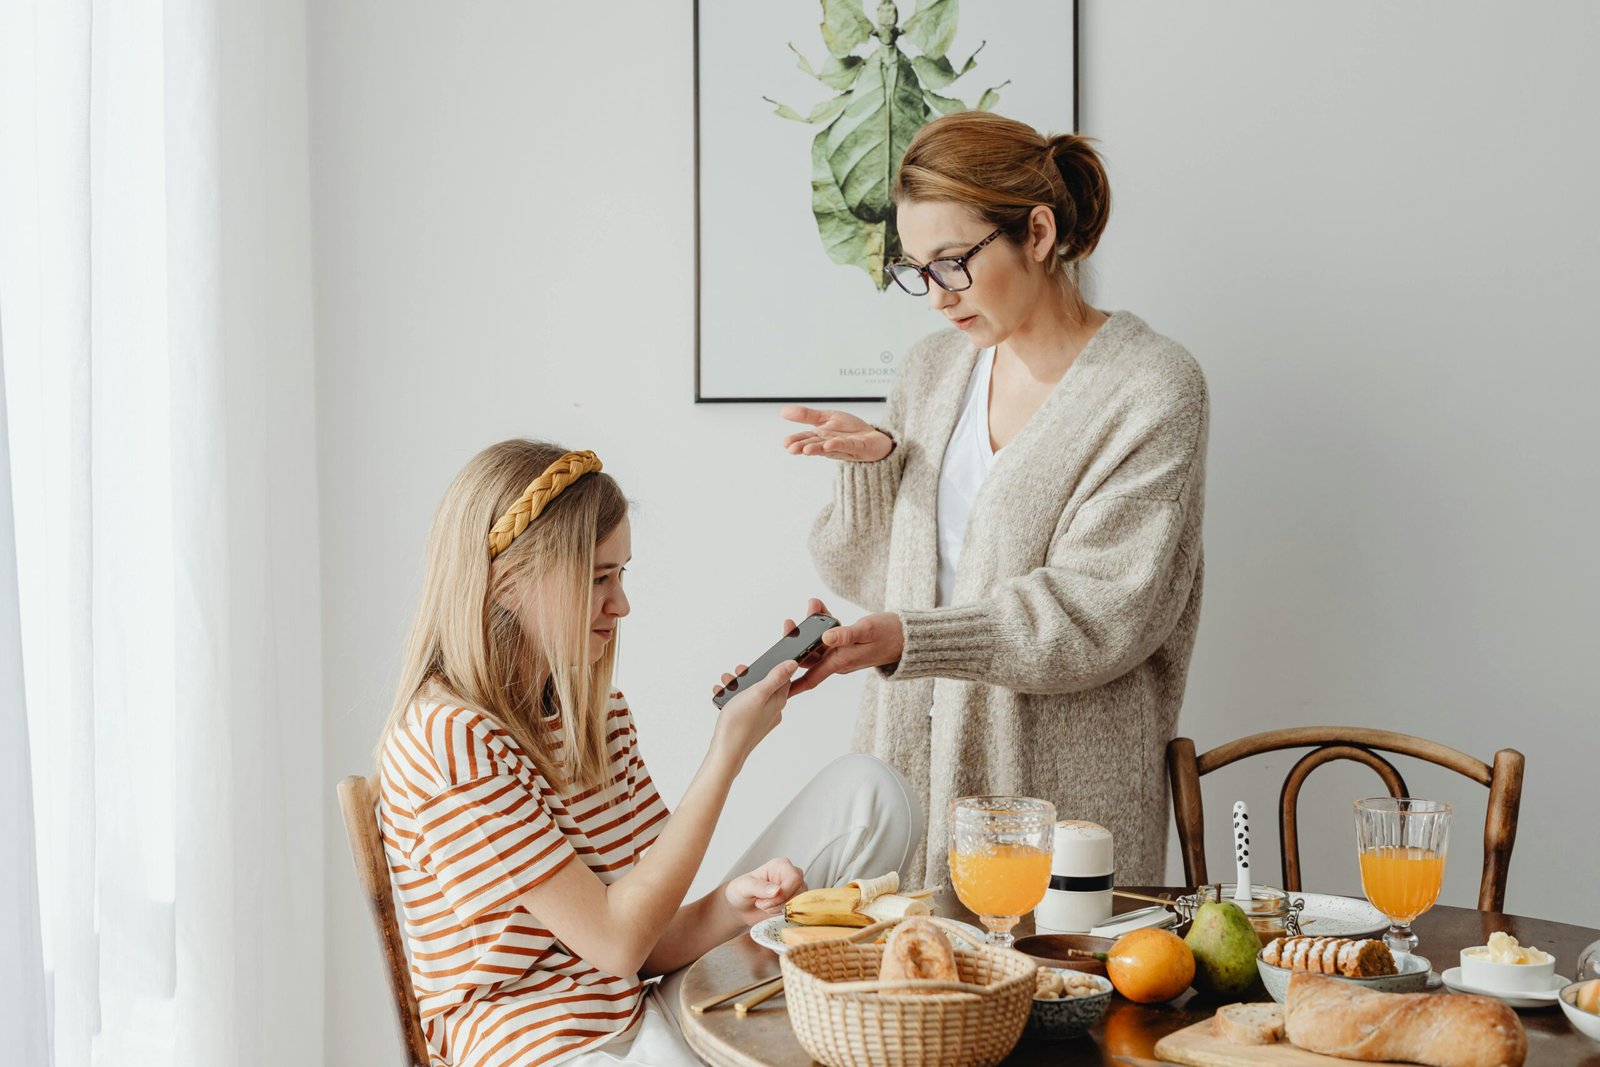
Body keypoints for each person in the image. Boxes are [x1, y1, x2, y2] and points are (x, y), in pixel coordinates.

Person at [375, 440, 921, 1067]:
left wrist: (730, 906)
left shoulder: (595, 710)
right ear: (506, 583)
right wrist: (728, 752)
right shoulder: (451, 737)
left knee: (869, 793)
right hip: (539, 1044)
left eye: (622, 573)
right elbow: (616, 942)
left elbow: (648, 940)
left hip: (637, 1006)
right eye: (597, 577)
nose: (621, 604)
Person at [781, 110, 1209, 891]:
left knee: (1060, 1010)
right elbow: (872, 580)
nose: (936, 297)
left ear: (1037, 234)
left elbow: (1099, 614)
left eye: (952, 262)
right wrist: (878, 469)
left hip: (1060, 808)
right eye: (917, 269)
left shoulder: (1152, 388)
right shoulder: (932, 372)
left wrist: (908, 641)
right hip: (909, 784)